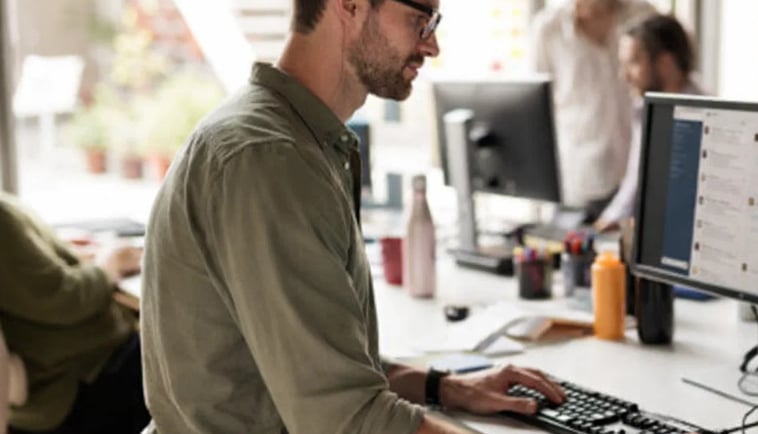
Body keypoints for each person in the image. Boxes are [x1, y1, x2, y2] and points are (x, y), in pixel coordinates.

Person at [140, 0, 565, 433]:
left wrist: (450, 388)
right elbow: (344, 419)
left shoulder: (297, 140)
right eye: (421, 20)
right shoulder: (270, 159)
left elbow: (322, 364)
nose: (432, 45)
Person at [0, 193, 149, 434]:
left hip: (47, 388)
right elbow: (63, 300)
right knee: (182, 350)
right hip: (75, 379)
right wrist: (108, 265)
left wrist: (65, 253)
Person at [529, 0, 657, 219]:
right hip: (579, 185)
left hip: (639, 181)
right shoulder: (548, 29)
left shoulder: (644, 15)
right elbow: (538, 112)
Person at [594, 14, 704, 232]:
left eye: (633, 62)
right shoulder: (646, 109)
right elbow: (635, 178)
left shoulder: (703, 117)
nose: (624, 76)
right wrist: (609, 220)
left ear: (665, 63)